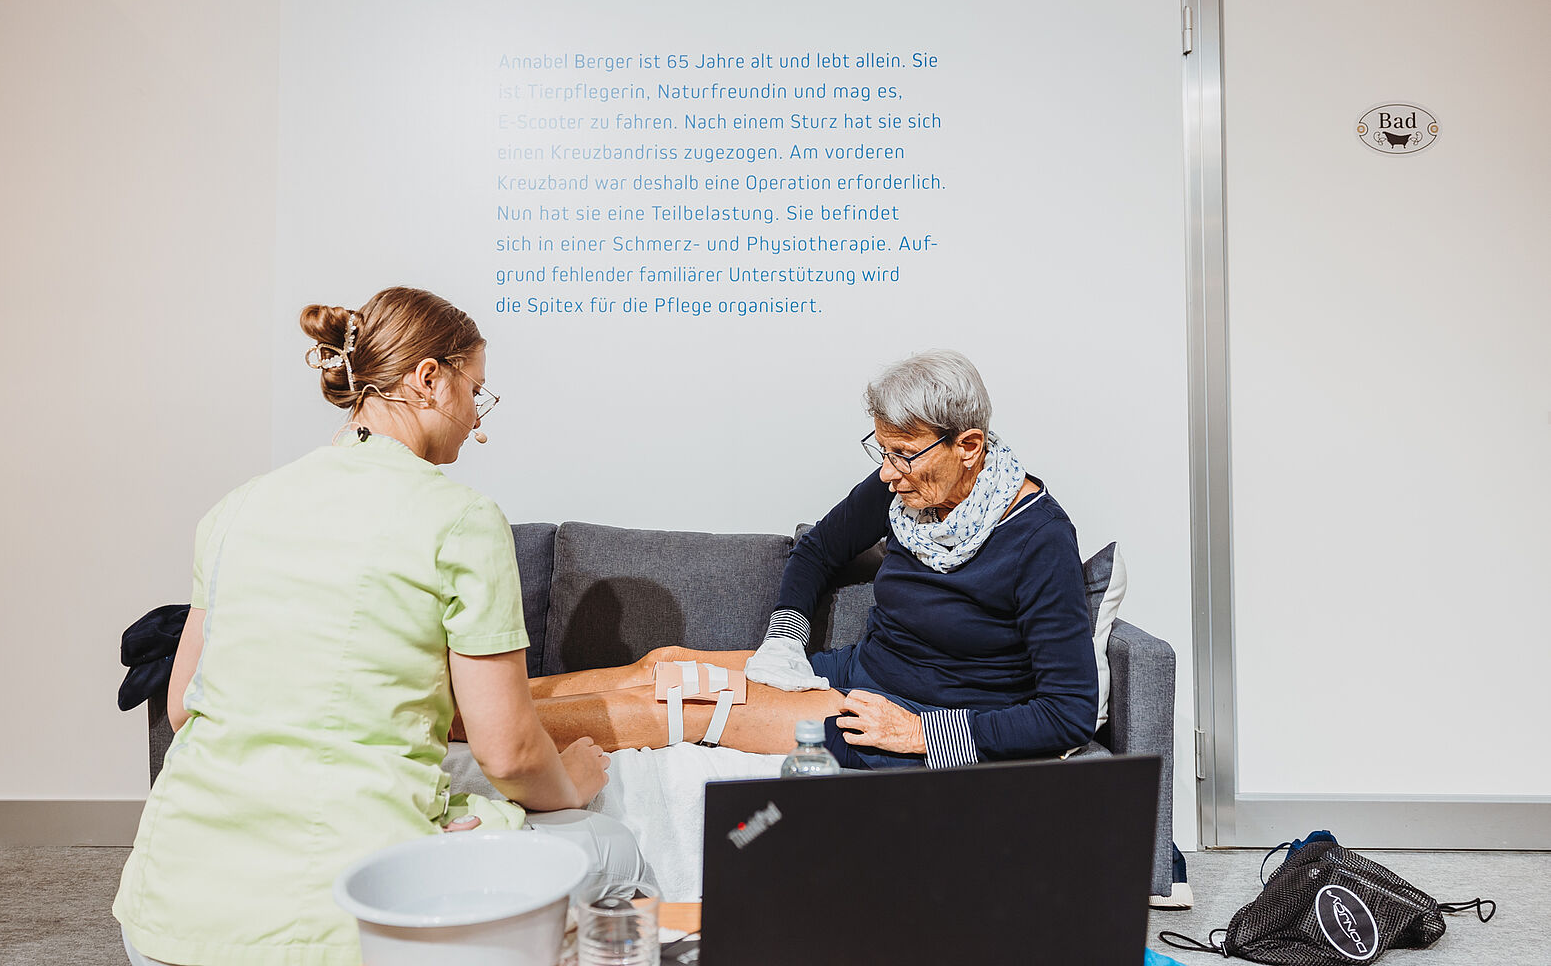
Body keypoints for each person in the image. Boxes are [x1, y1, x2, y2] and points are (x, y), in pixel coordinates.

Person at [114, 287, 610, 966]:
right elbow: (511, 754)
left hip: (163, 917)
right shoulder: (462, 520)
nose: (476, 417)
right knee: (610, 848)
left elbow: (181, 708)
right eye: (475, 391)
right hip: (340, 929)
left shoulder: (233, 510)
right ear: (428, 378)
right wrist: (572, 782)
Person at [529, 349, 1098, 770]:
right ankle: (481, 705)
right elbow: (818, 550)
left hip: (907, 719)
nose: (888, 473)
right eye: (882, 451)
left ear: (968, 446)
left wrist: (921, 734)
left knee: (686, 704)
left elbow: (1068, 713)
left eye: (903, 454)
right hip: (856, 675)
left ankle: (487, 735)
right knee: (666, 665)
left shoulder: (1040, 539)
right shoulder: (904, 487)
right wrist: (786, 639)